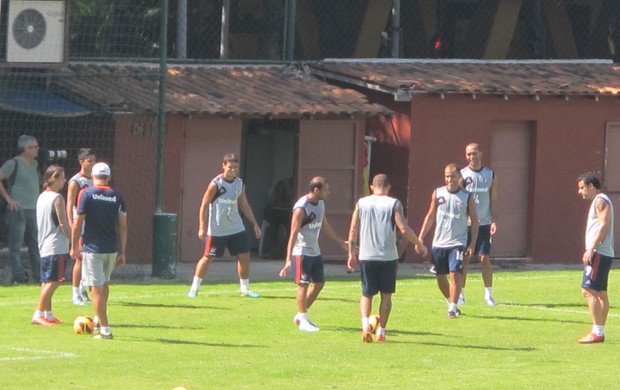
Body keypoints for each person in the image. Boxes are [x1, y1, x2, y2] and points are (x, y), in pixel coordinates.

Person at [347, 174, 427, 342]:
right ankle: (381, 332)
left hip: (366, 255)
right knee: (386, 296)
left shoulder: (361, 203)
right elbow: (403, 229)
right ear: (388, 187)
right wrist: (419, 243)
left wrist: (350, 253)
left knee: (366, 294)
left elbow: (353, 229)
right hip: (387, 256)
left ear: (372, 187)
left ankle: (364, 325)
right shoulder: (394, 204)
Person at [188, 153, 262, 299]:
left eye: (236, 167)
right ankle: (194, 288)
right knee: (208, 257)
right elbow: (203, 205)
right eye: (230, 167)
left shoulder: (239, 184)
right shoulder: (215, 184)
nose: (233, 170)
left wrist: (255, 224)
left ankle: (245, 288)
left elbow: (244, 205)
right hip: (217, 229)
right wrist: (202, 227)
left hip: (236, 227)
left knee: (244, 255)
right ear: (223, 166)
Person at [278, 177, 347, 332]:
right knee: (303, 285)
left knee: (319, 283)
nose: (328, 192)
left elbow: (325, 225)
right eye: (326, 190)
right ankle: (303, 320)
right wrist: (288, 259)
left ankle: (301, 314)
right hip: (301, 252)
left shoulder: (320, 203)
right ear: (316, 190)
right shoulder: (301, 208)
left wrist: (341, 242)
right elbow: (293, 233)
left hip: (315, 251)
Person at [70, 162, 127, 340]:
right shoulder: (117, 195)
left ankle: (105, 329)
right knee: (104, 284)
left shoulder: (86, 193)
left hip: (93, 248)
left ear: (93, 177)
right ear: (108, 177)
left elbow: (78, 223)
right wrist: (122, 251)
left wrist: (74, 246)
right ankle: (98, 318)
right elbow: (123, 226)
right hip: (111, 248)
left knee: (96, 289)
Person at [419, 164, 478, 319]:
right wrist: (420, 237)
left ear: (459, 177)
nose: (449, 179)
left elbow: (475, 221)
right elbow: (430, 216)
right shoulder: (438, 193)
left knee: (455, 274)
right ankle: (450, 301)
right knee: (440, 277)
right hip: (439, 243)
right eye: (446, 176)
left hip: (457, 242)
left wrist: (472, 244)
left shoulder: (467, 196)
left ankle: (452, 308)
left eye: (452, 176)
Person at [576, 172, 614, 344]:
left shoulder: (600, 201)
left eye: (582, 188)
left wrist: (591, 249)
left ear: (591, 186)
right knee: (600, 293)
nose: (580, 192)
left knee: (587, 290)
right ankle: (599, 330)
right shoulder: (600, 201)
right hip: (603, 253)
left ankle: (597, 332)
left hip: (598, 252)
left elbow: (604, 226)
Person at [31, 165, 71, 326]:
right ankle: (38, 313)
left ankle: (48, 313)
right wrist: (74, 241)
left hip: (44, 244)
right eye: (62, 177)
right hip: (57, 245)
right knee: (55, 280)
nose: (65, 180)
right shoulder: (57, 198)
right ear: (54, 178)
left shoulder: (42, 196)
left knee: (47, 280)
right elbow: (63, 223)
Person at [0, 135, 41, 284]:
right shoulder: (13, 163)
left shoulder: (34, 164)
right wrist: (9, 199)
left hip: (33, 209)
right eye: (35, 147)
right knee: (15, 245)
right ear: (26, 149)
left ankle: (39, 274)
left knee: (35, 244)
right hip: (18, 211)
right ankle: (19, 276)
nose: (38, 149)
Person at [460, 143, 498, 306]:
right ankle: (460, 294)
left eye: (474, 153)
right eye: (469, 154)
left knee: (484, 258)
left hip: (484, 223)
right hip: (466, 224)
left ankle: (488, 295)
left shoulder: (490, 175)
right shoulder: (461, 174)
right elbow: (459, 199)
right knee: (465, 258)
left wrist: (494, 220)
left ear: (481, 154)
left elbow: (493, 200)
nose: (472, 157)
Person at [66, 148, 96, 305]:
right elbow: (69, 205)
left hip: (92, 225)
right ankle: (75, 292)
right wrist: (72, 226)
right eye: (89, 160)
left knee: (88, 258)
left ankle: (83, 288)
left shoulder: (95, 179)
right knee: (79, 258)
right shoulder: (75, 181)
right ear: (81, 162)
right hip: (80, 225)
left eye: (93, 160)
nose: (92, 163)